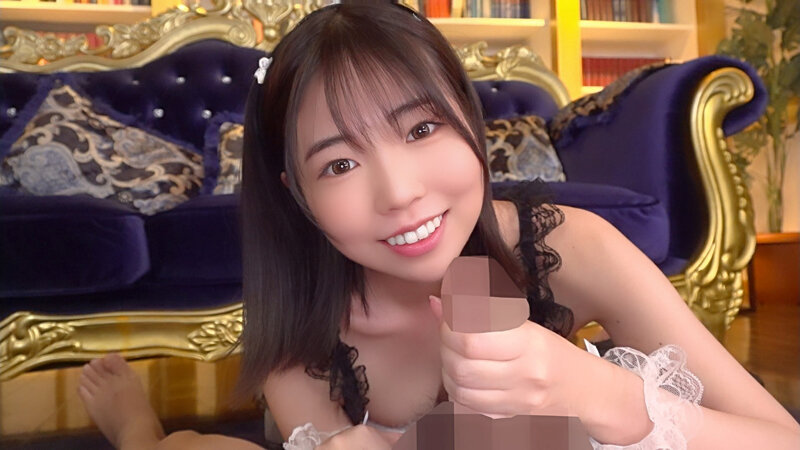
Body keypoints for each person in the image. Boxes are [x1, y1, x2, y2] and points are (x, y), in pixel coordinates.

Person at [78, 1, 800, 449]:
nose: (401, 193)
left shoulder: (567, 246)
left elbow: (778, 439)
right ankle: (142, 433)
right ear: (298, 196)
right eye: (339, 164)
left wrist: (596, 394)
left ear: (468, 117)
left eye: (422, 129)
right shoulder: (303, 336)